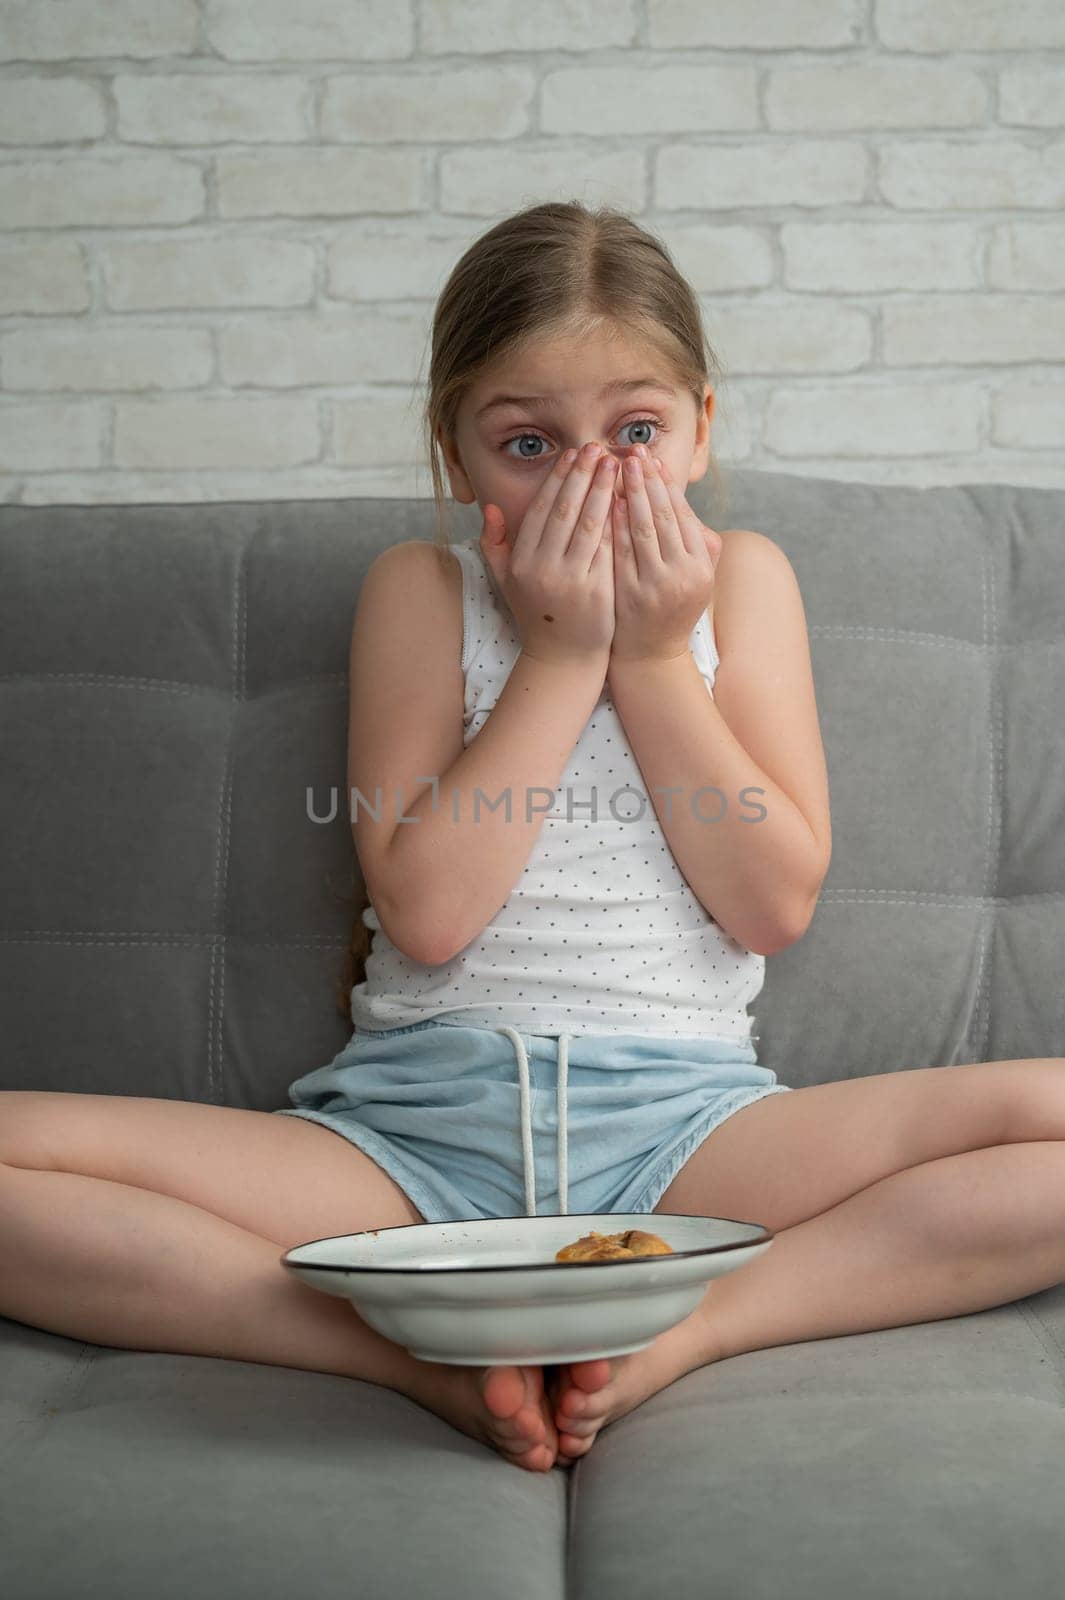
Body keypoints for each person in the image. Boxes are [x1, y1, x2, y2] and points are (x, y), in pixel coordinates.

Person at [5, 202, 1062, 1480]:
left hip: (690, 1129)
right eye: (526, 442)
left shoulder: (743, 584)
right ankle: (413, 1357)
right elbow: (434, 914)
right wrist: (560, 654)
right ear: (456, 455)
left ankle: (688, 1327)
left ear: (701, 429)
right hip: (407, 1140)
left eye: (634, 433)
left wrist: (658, 654)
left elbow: (773, 902)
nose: (587, 479)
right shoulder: (419, 589)